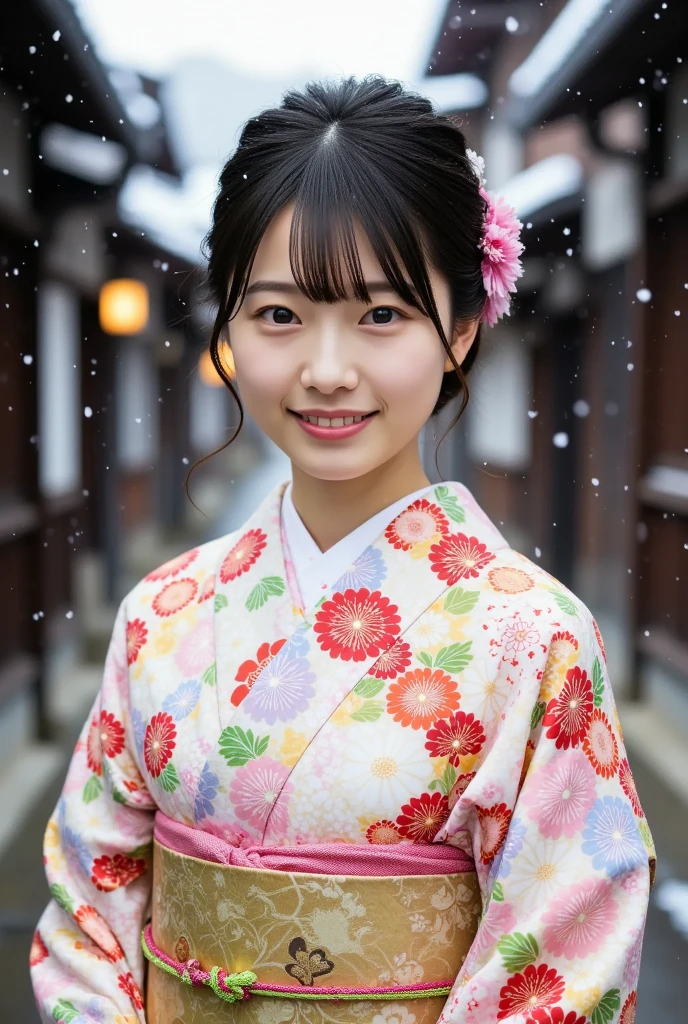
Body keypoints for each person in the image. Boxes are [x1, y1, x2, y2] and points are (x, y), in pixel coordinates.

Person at [31, 75, 654, 1024]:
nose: (328, 370)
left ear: (460, 328)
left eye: (381, 315)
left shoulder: (532, 638)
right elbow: (91, 909)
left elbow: (565, 964)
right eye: (279, 315)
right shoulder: (162, 614)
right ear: (229, 324)